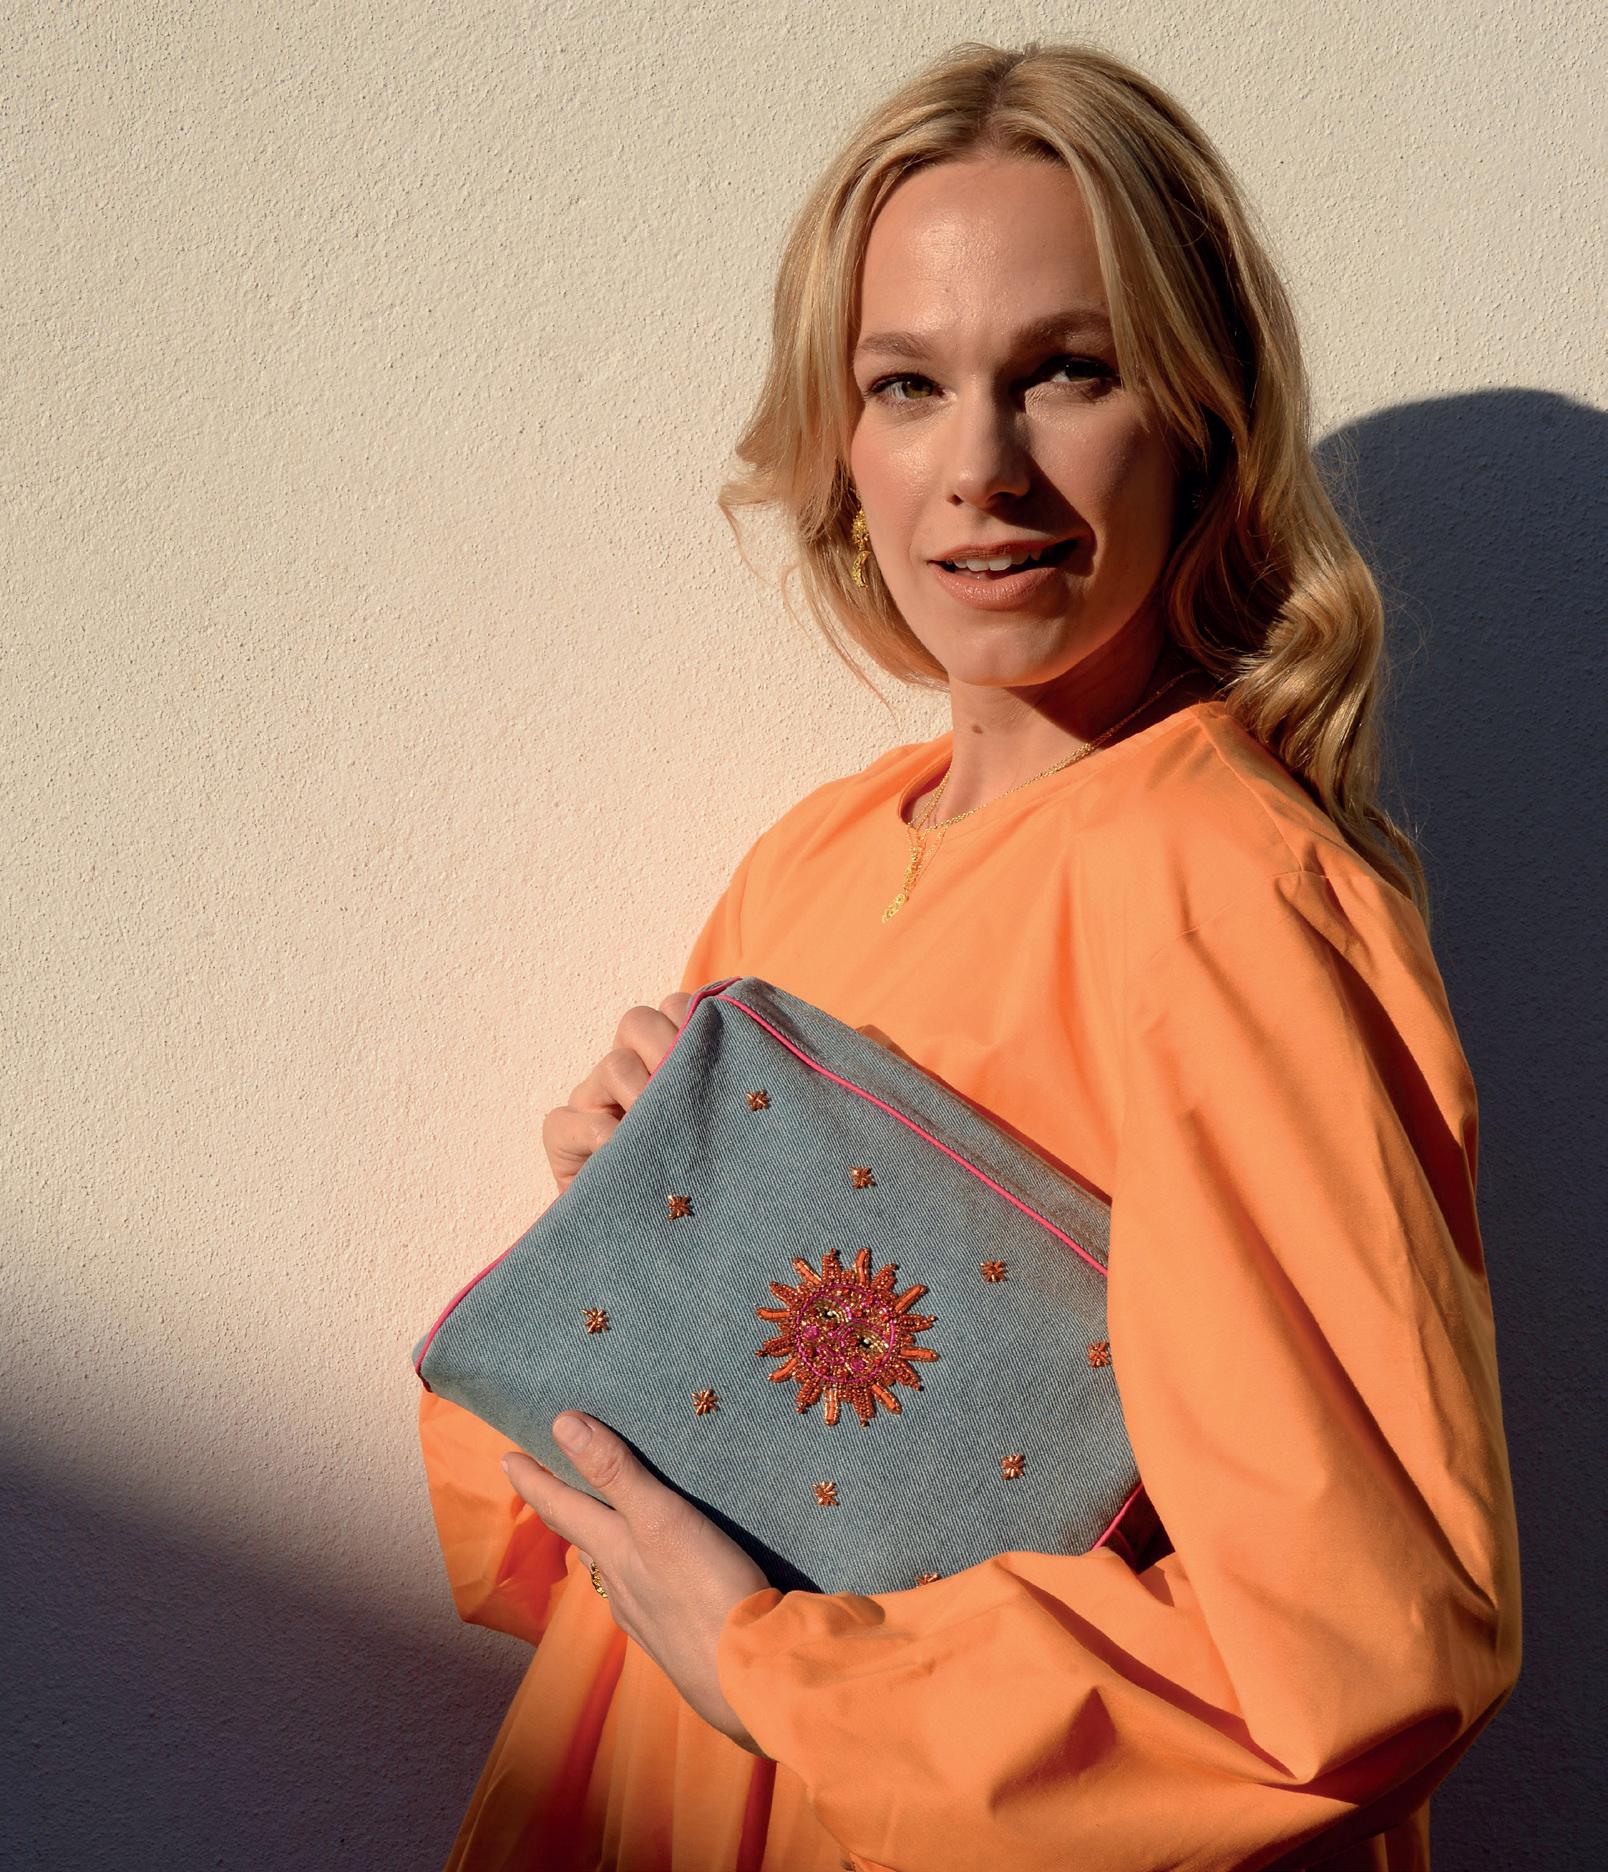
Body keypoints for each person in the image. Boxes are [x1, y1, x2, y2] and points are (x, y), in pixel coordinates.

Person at [415, 39, 1522, 1872]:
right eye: (908, 386)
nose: (982, 469)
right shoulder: (818, 857)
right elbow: (595, 1525)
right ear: (843, 444)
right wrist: (617, 1242)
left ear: (1201, 415)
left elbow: (1361, 1650)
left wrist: (792, 1669)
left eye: (1066, 372)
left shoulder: (1221, 888)